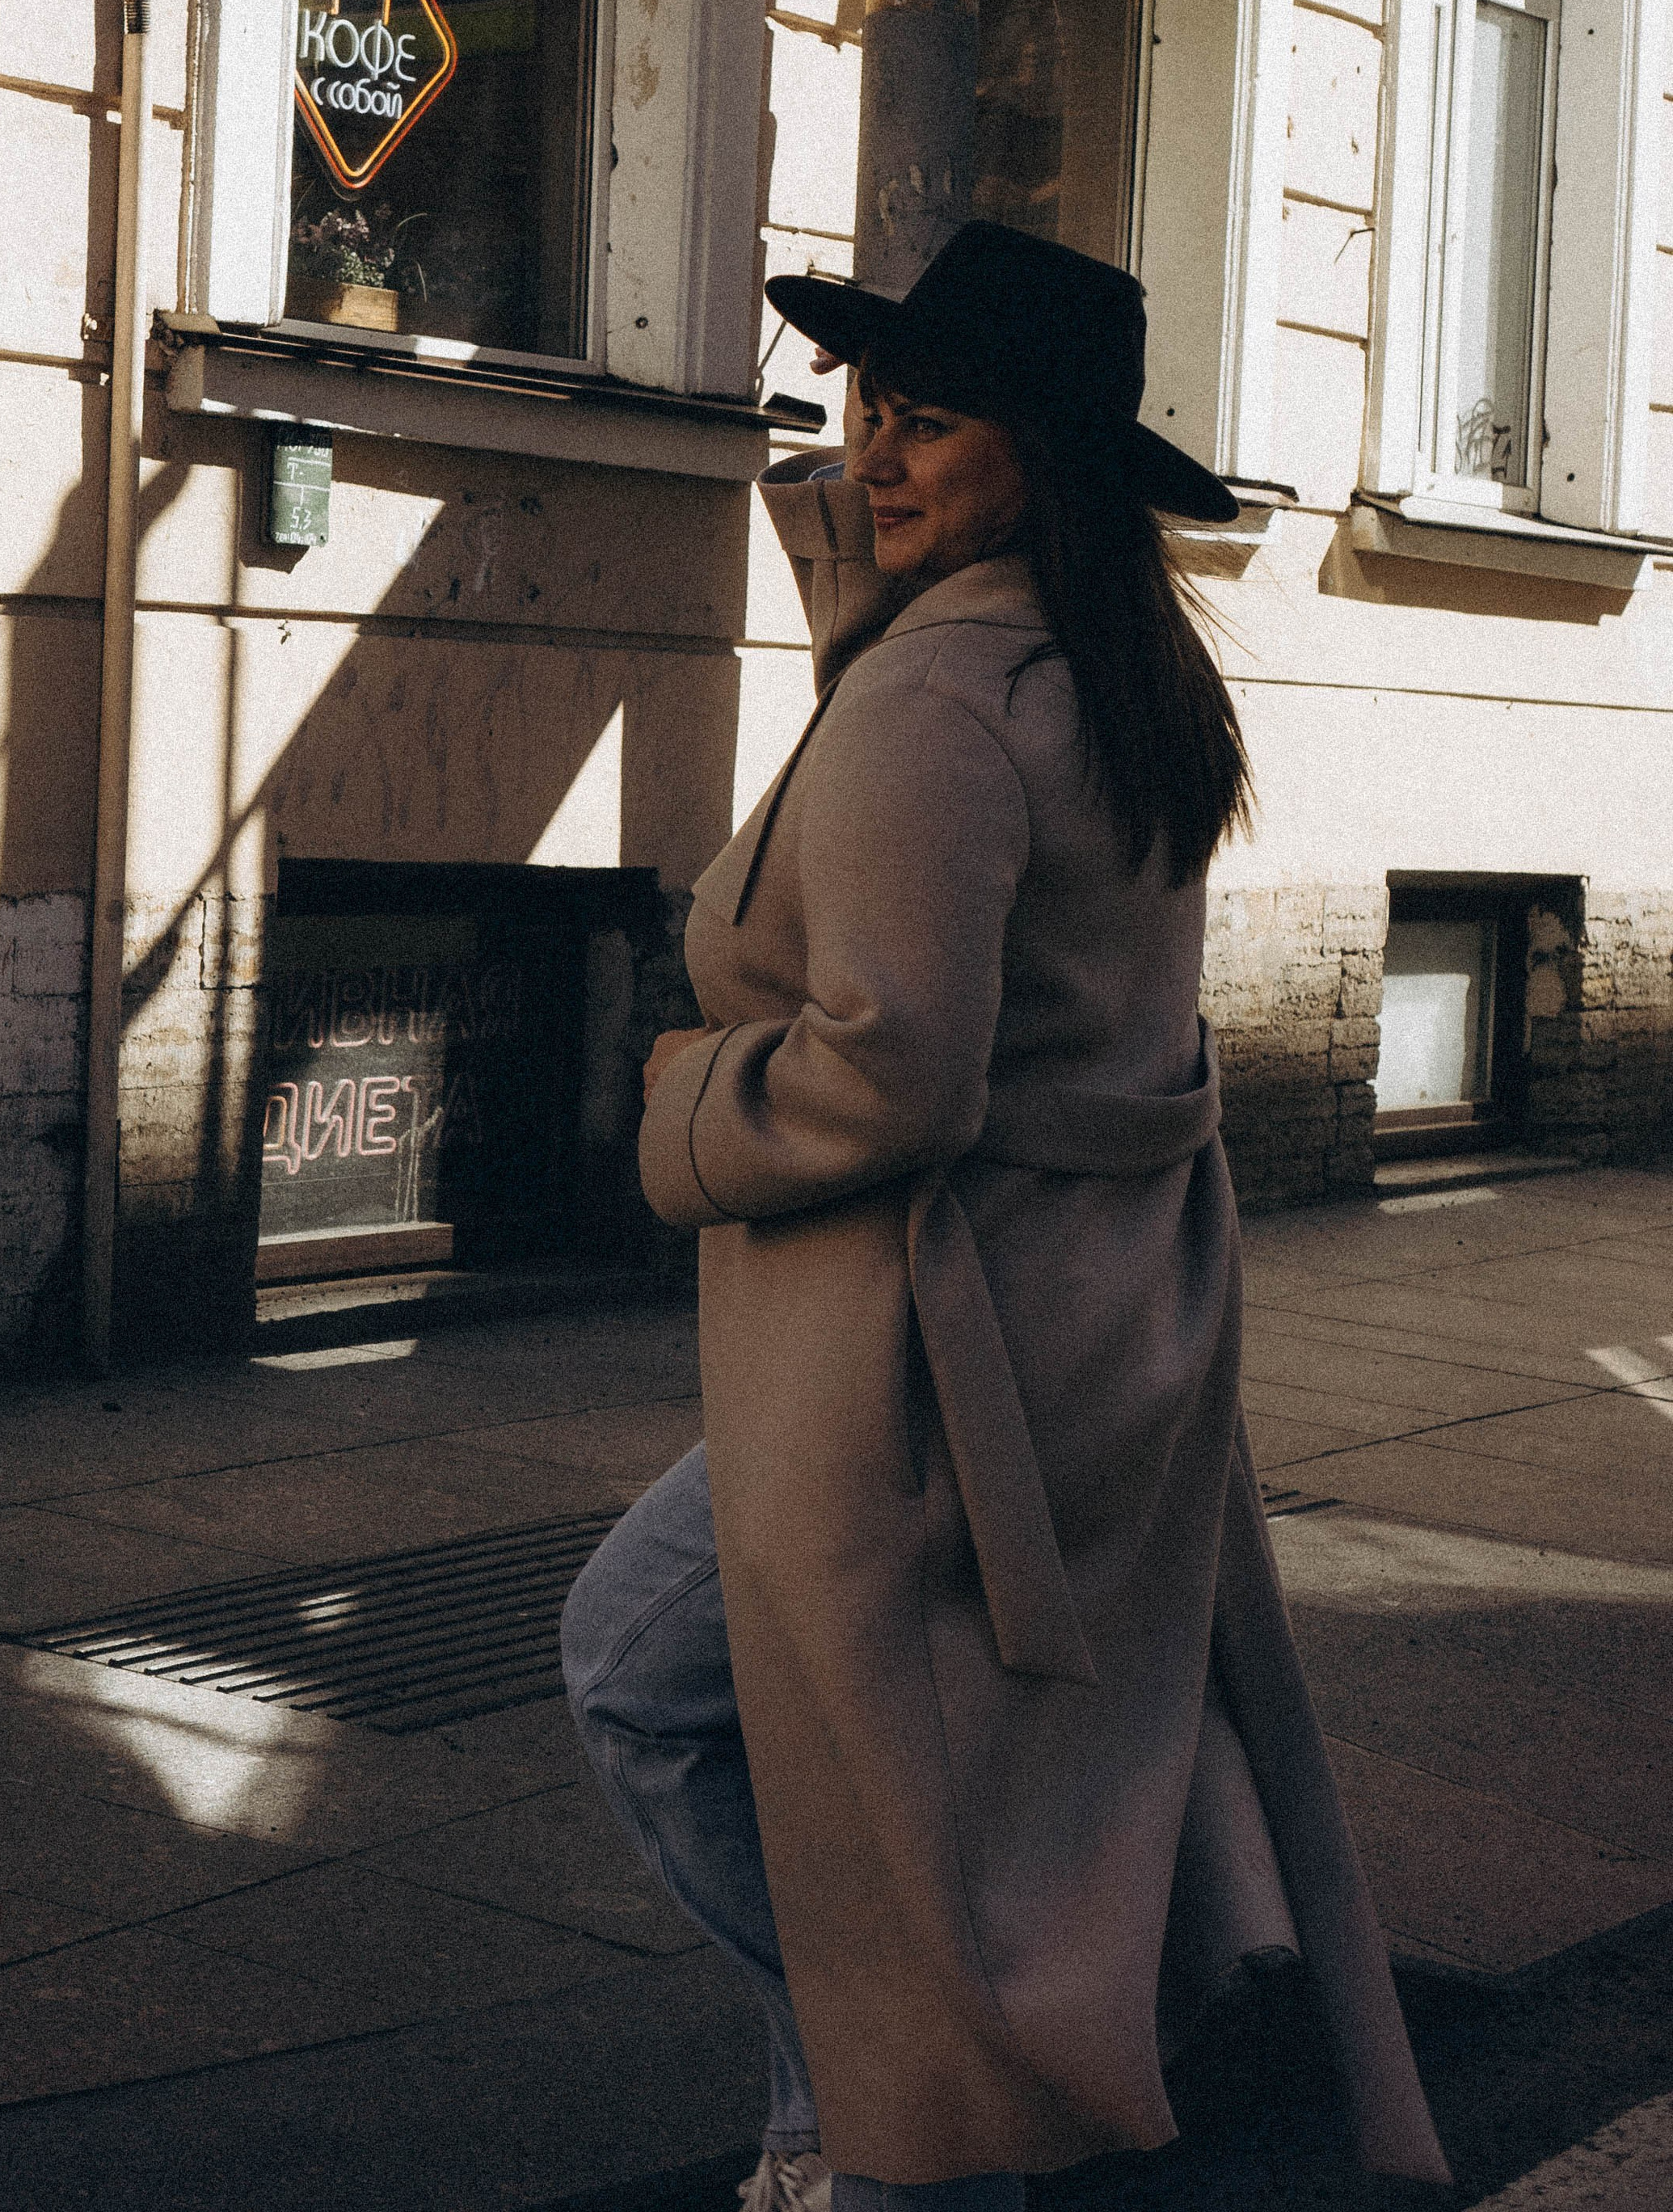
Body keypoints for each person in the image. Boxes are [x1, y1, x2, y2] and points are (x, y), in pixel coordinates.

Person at [561, 225, 1451, 2212]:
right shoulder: (1110, 678)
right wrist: (853, 581)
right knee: (968, 1760)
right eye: (865, 414)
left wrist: (684, 1104)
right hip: (1092, 1316)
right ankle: (883, 2105)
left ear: (1034, 457)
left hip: (912, 1343)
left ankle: (910, 2095)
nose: (873, 459)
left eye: (928, 426)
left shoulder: (930, 706)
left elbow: (892, 1066)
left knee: (646, 1677)